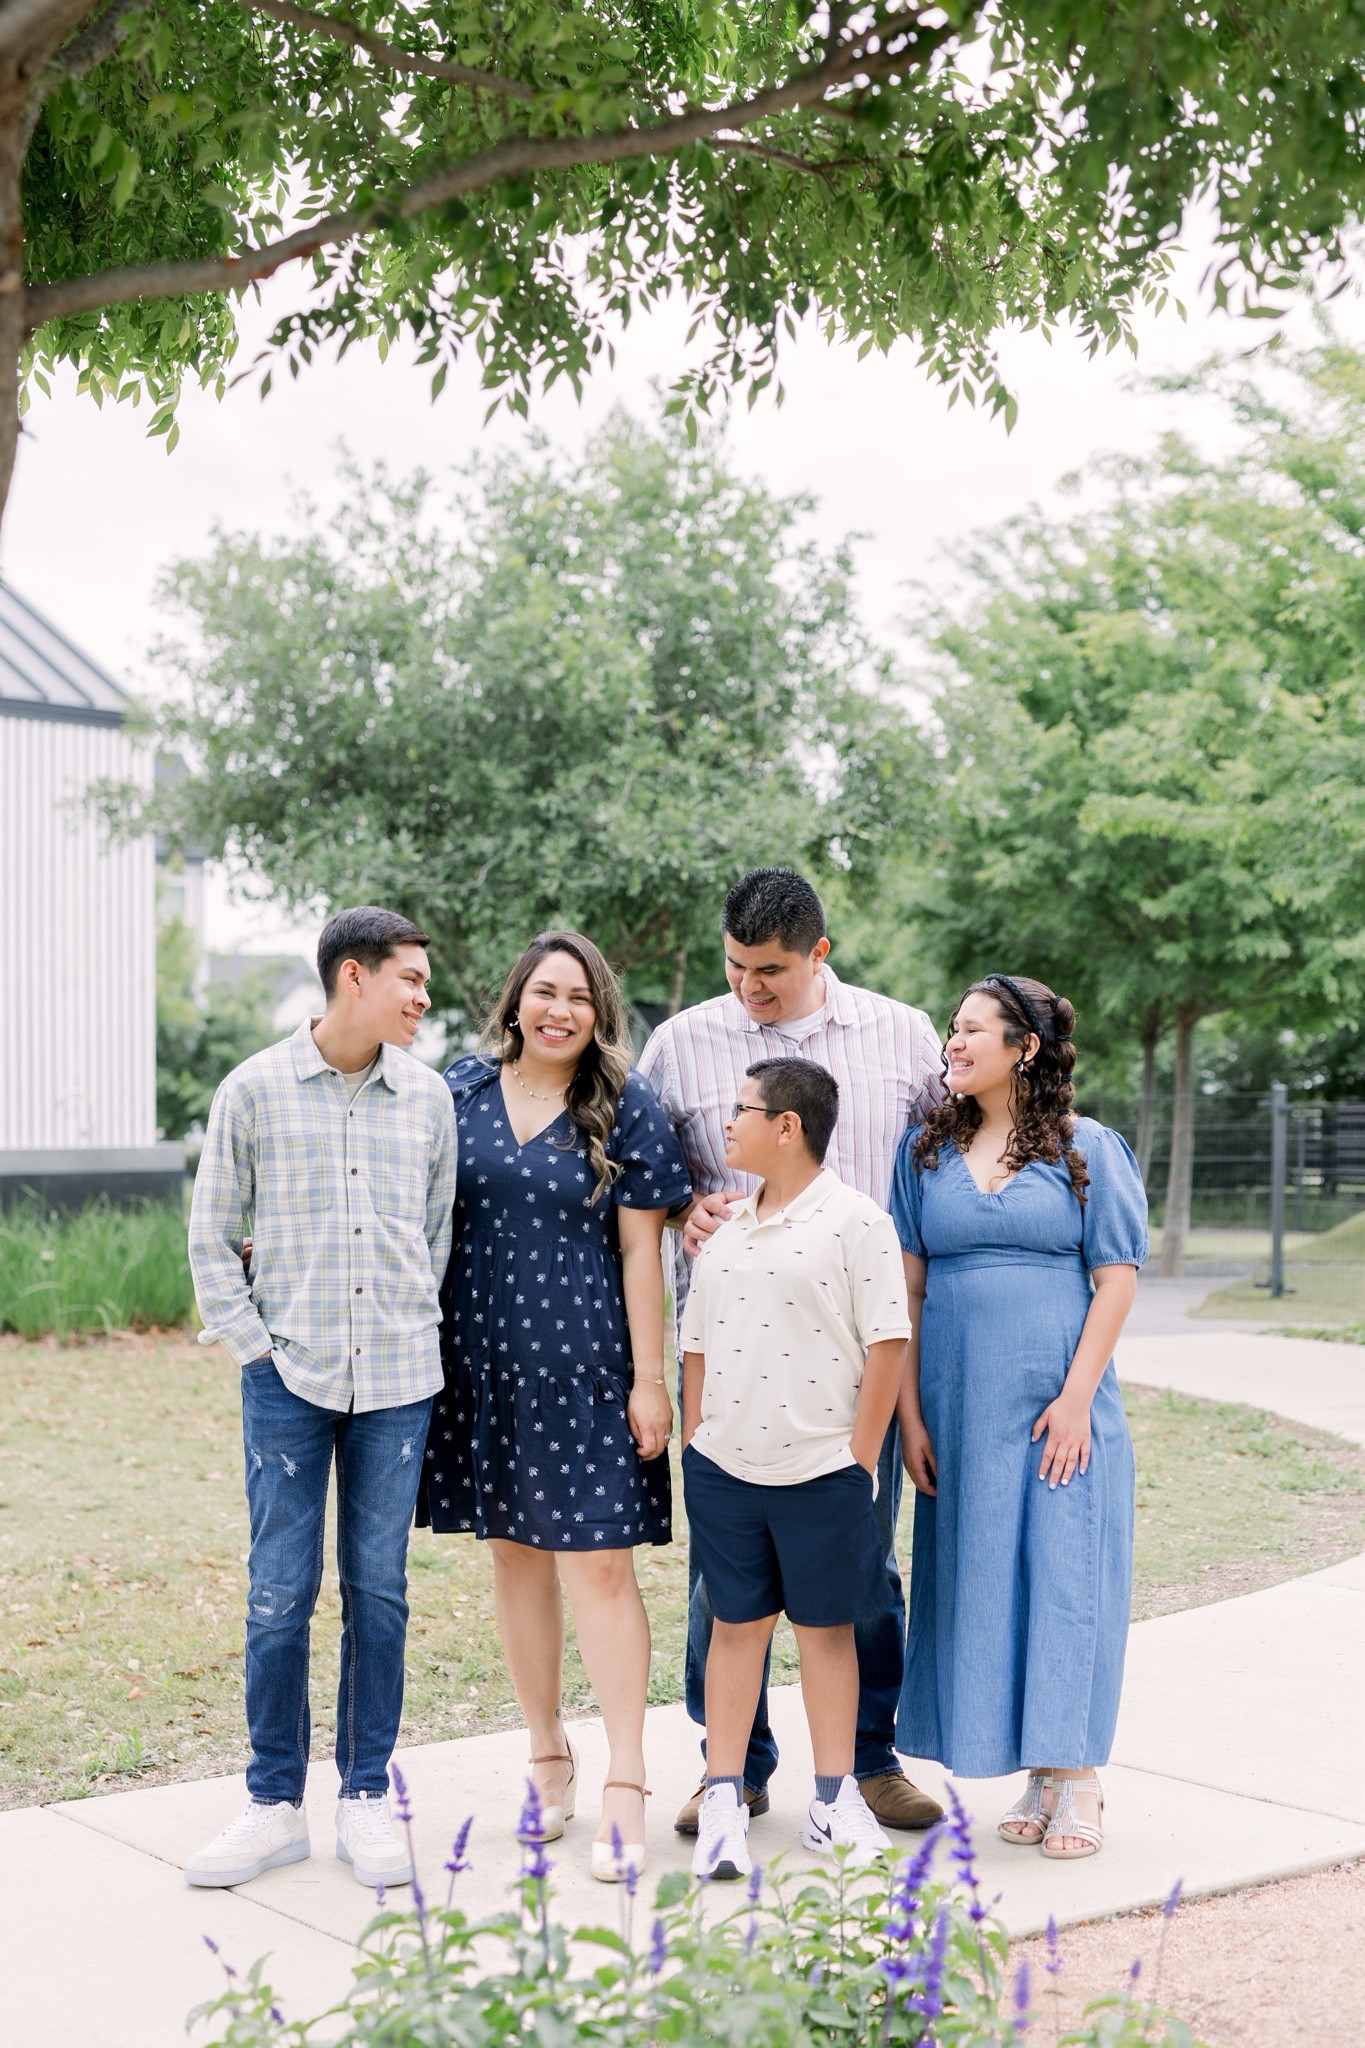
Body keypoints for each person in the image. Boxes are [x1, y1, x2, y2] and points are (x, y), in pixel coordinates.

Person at [639, 867, 944, 1835]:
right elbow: (647, 1182)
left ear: (819, 952)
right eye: (734, 966)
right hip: (729, 1368)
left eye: (768, 970)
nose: (748, 989)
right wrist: (689, 1208)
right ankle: (733, 1767)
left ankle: (862, 1763)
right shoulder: (680, 1043)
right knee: (721, 1587)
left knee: (858, 1569)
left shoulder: (902, 1035)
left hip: (856, 1371)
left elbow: (949, 1155)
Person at [184, 907, 458, 1891]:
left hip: (397, 1382)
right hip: (286, 1378)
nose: (424, 996)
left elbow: (433, 1237)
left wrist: (408, 1322)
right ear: (354, 975)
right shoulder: (252, 1089)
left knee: (377, 1591)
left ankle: (366, 1795)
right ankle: (270, 1802)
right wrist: (256, 1351)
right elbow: (211, 1233)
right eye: (411, 979)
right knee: (277, 1593)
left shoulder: (427, 1099)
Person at [416, 930, 691, 1883]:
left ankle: (626, 1780)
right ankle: (544, 1752)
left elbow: (638, 1255)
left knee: (601, 1569)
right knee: (517, 1562)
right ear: (514, 1002)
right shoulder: (456, 1094)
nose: (559, 1010)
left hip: (585, 1371)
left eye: (578, 996)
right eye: (543, 992)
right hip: (480, 1369)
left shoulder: (626, 1107)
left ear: (599, 1010)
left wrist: (648, 1380)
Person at [889, 974, 1148, 1860]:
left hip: (1058, 1409)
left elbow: (1115, 1277)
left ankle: (1074, 1774)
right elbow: (908, 1289)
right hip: (956, 1411)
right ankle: (1035, 1768)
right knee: (984, 1577)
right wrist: (909, 1414)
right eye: (950, 1031)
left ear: (1023, 1047)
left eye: (970, 1031)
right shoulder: (922, 1151)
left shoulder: (1088, 1149)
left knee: (1062, 1577)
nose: (952, 1043)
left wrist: (1076, 1398)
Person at [680, 1058, 910, 1879]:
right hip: (724, 1469)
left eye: (742, 1110)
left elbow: (887, 1339)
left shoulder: (856, 1221)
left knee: (827, 1634)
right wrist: (693, 1441)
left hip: (824, 1469)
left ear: (788, 1126)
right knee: (732, 1632)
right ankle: (720, 1796)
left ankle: (831, 1797)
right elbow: (696, 1345)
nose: (727, 1124)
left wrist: (857, 1457)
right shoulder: (727, 1228)